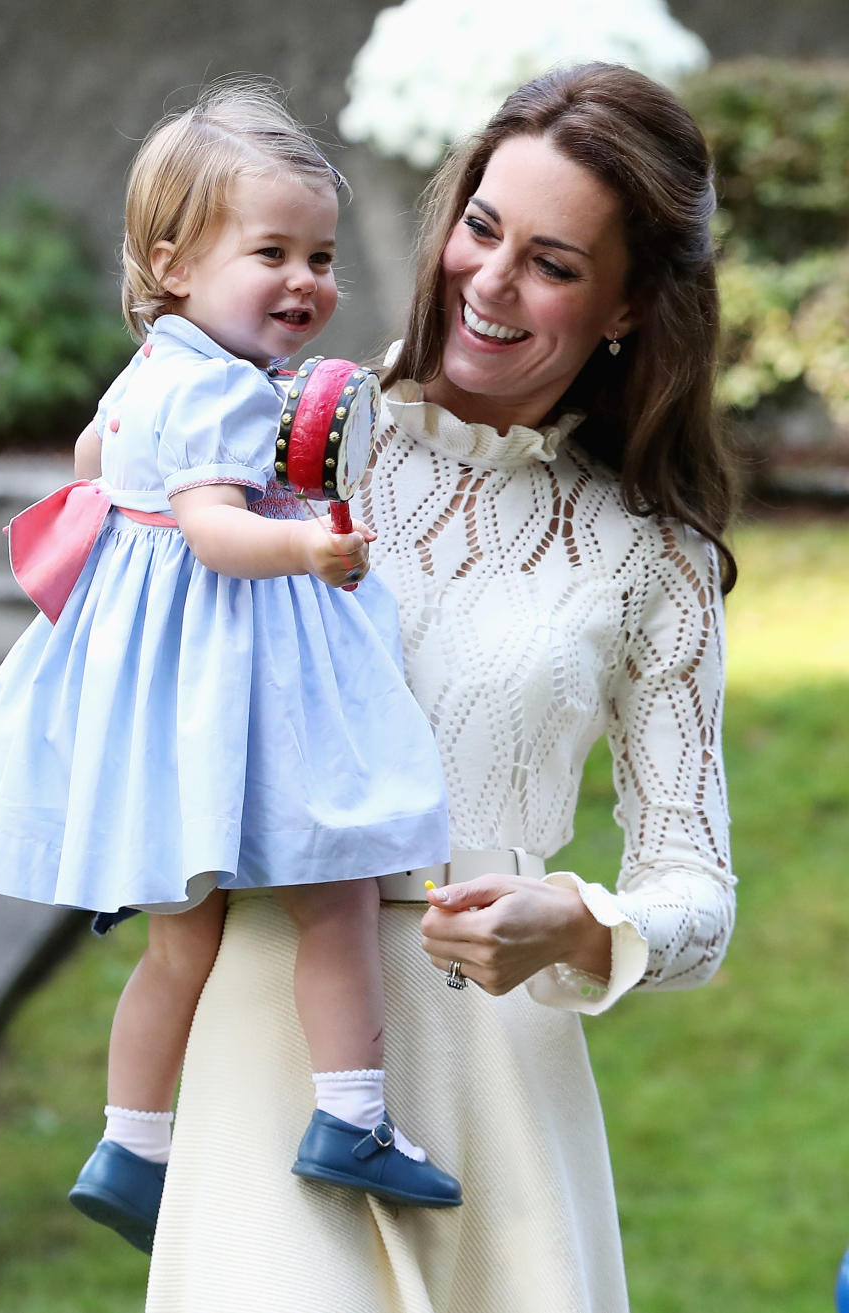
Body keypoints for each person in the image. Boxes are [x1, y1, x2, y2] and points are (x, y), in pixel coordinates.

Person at [145, 62, 738, 1313]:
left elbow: (698, 889)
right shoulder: (266, 431)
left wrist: (578, 922)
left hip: (496, 1085)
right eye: (481, 226)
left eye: (554, 263)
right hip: (266, 1043)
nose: (490, 281)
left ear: (630, 304)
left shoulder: (653, 555)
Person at [0, 80, 462, 1256]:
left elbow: (87, 465)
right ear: (170, 263)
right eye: (270, 251)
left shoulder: (151, 370)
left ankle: (130, 1143)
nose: (305, 281)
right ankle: (352, 1115)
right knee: (334, 883)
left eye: (320, 255)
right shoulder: (226, 388)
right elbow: (220, 532)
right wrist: (309, 544)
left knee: (185, 939)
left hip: (160, 695)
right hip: (237, 664)